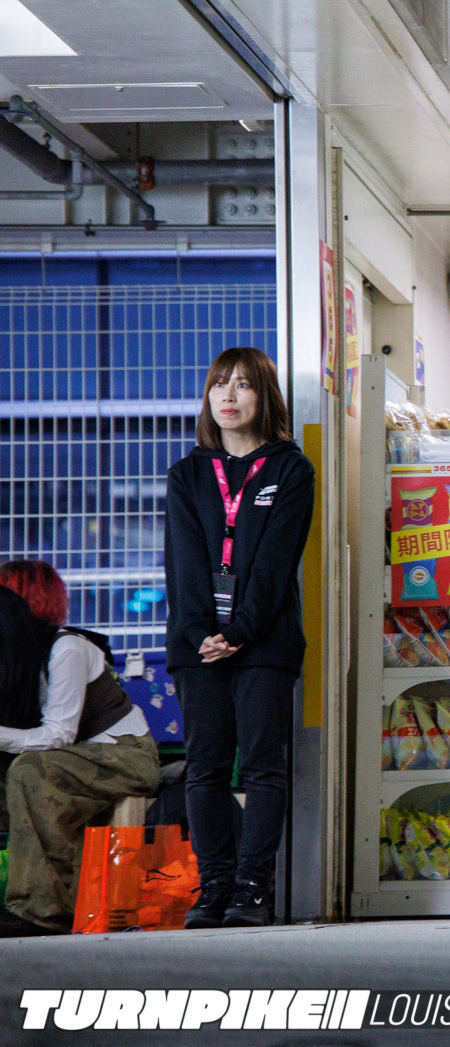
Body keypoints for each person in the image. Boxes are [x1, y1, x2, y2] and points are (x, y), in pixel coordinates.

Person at [164, 346, 314, 928]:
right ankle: (214, 886)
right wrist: (202, 632)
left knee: (261, 765)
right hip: (197, 645)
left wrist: (242, 631)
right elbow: (183, 563)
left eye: (244, 384)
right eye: (219, 384)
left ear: (264, 396)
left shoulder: (290, 470)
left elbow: (276, 563)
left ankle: (253, 889)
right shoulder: (187, 474)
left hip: (265, 644)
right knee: (204, 766)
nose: (228, 396)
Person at [0, 568, 158, 937]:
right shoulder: (19, 660)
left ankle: (42, 911)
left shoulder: (66, 648)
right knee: (27, 770)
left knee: (31, 771)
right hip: (68, 760)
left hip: (124, 756)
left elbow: (58, 736)